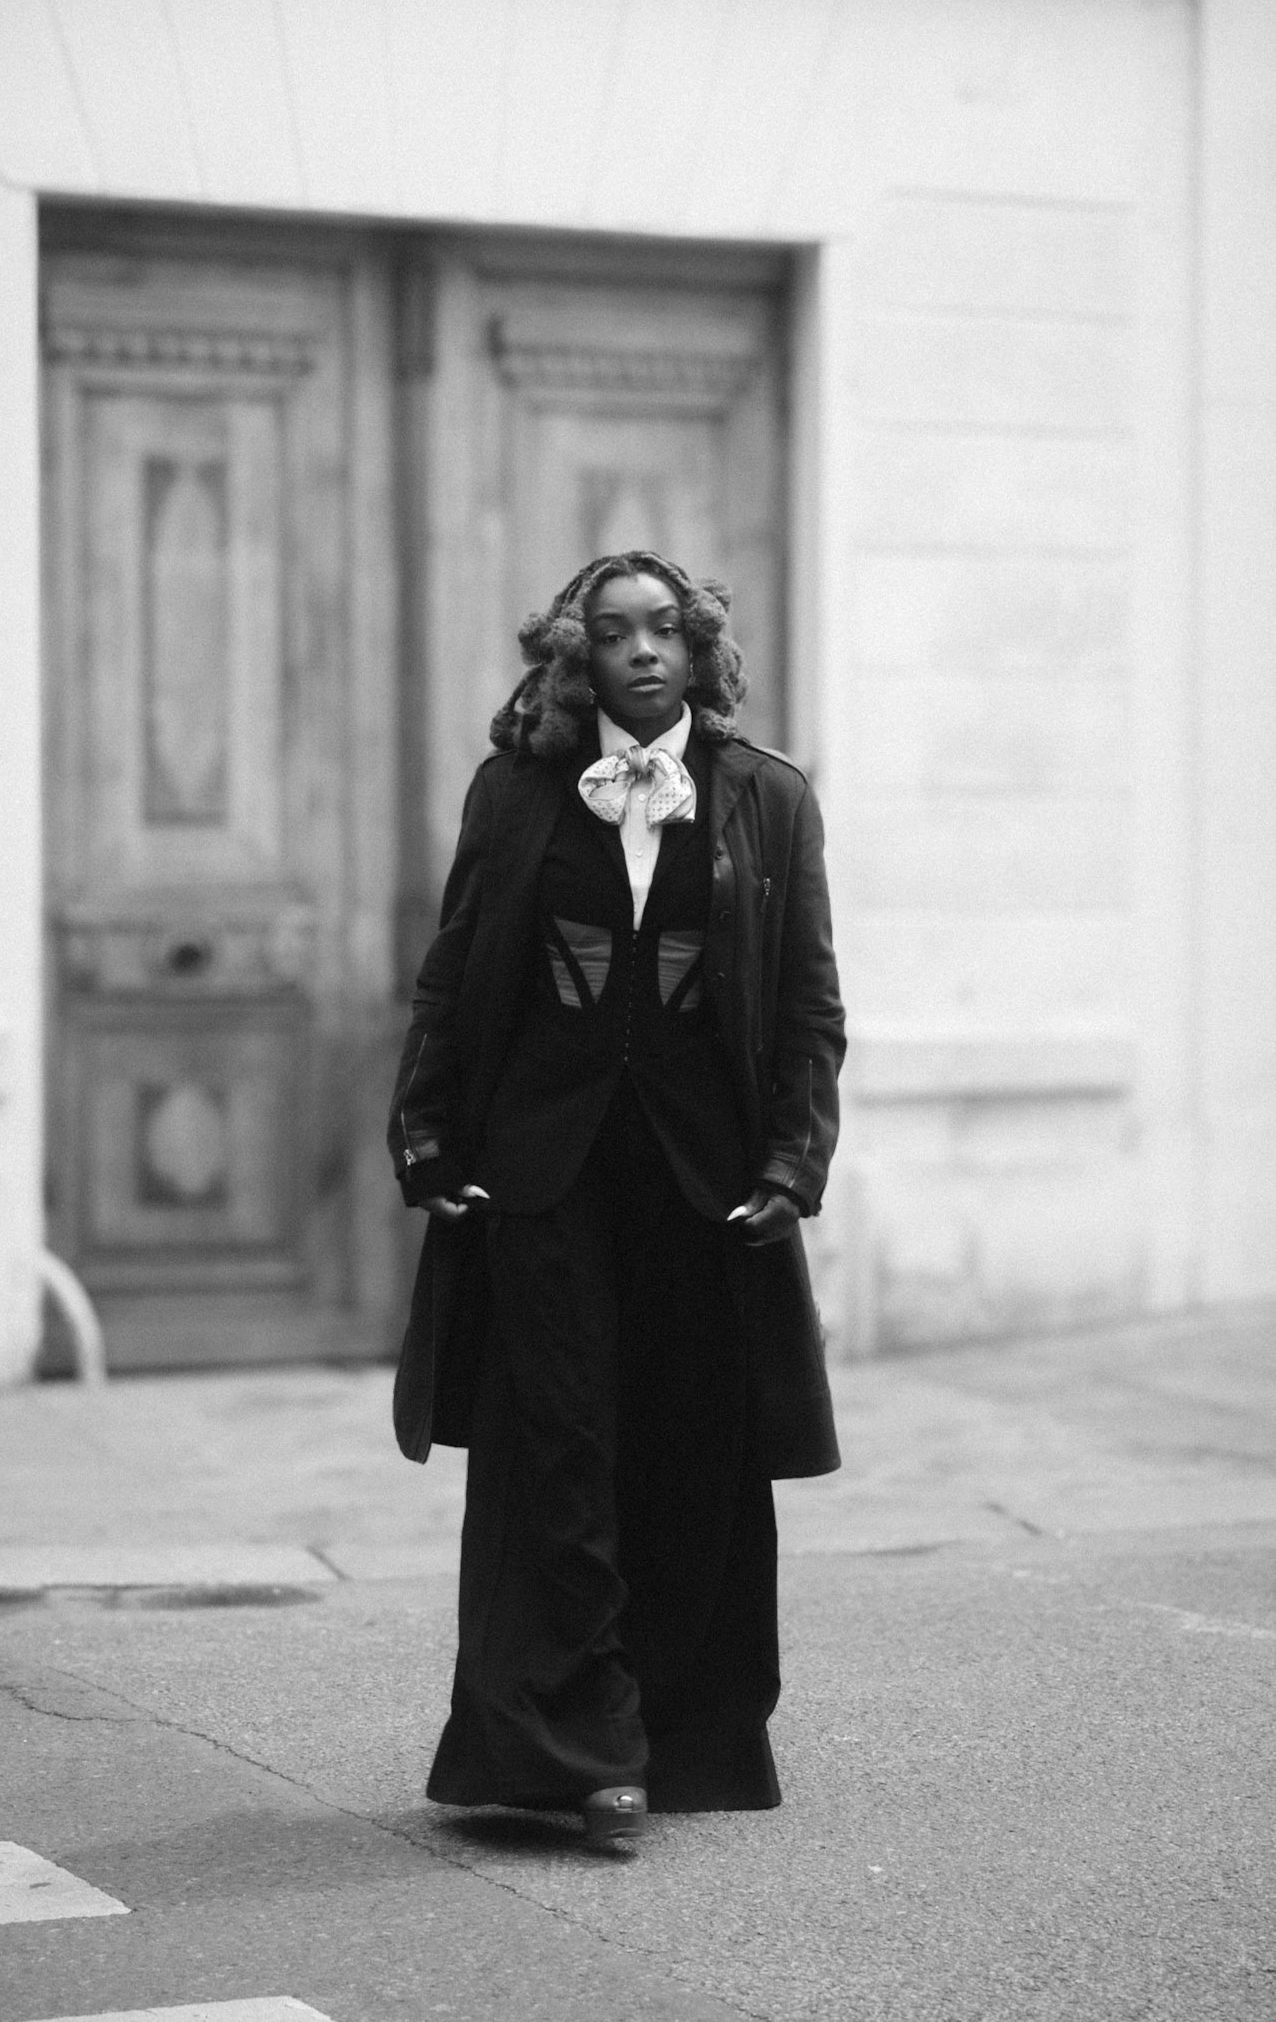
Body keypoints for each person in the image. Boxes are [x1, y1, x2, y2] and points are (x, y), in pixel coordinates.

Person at [386, 550, 845, 1847]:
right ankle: (575, 1748)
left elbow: (808, 1004)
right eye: (612, 631)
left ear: (699, 649)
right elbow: (455, 971)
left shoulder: (767, 798)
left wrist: (791, 1165)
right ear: (575, 656)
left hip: (706, 1183)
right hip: (546, 1169)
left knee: (693, 1447)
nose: (642, 649)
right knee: (556, 1447)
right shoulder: (516, 791)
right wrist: (424, 1136)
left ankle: (685, 1737)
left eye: (664, 628)